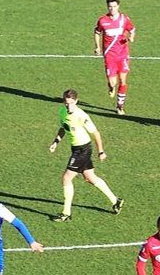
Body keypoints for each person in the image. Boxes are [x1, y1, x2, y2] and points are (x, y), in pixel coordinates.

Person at [48, 89, 124, 222]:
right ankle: (116, 201)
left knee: (66, 178)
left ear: (76, 101)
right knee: (90, 177)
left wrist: (101, 151)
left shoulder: (81, 115)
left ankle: (66, 213)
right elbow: (63, 128)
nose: (69, 106)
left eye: (71, 103)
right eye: (66, 103)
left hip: (83, 150)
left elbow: (96, 133)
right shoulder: (62, 111)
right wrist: (56, 142)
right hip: (76, 149)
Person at [94, 0, 136, 115]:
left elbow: (132, 29)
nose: (112, 9)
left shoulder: (124, 19)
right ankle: (111, 87)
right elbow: (97, 32)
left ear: (118, 6)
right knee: (113, 82)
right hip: (110, 56)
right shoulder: (102, 20)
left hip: (122, 54)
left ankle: (120, 106)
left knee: (123, 81)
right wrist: (97, 46)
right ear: (107, 7)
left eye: (114, 6)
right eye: (110, 6)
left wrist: (131, 37)